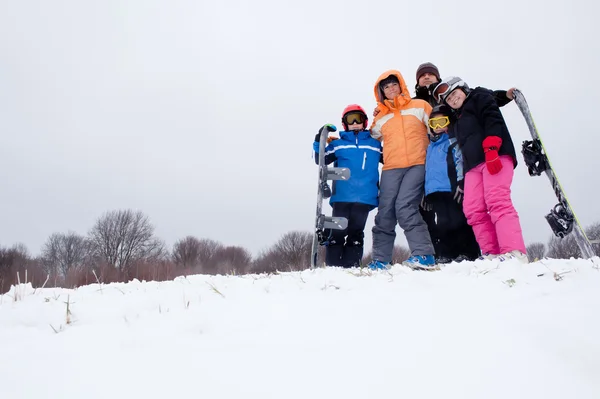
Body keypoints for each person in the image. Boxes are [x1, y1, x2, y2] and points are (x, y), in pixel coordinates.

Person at [432, 77, 528, 262]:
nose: (452, 99)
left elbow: (492, 114)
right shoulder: (457, 116)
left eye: (454, 94)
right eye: (448, 99)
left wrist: (492, 146)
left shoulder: (478, 96)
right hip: (472, 166)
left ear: (464, 89)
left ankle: (514, 251)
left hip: (495, 155)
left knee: (497, 200)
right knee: (473, 209)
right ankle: (491, 253)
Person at [366, 70, 436, 270]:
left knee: (405, 207)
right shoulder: (380, 117)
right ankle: (381, 260)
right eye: (386, 87)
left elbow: (438, 128)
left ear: (401, 85)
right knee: (385, 213)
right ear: (381, 93)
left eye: (393, 85)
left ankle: (424, 255)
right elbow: (369, 139)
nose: (390, 89)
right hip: (391, 168)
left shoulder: (420, 106)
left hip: (417, 163)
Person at [313, 105, 382, 267]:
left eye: (358, 118)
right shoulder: (339, 145)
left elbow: (392, 158)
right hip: (342, 196)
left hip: (365, 197)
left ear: (365, 122)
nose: (355, 122)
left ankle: (352, 266)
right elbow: (320, 159)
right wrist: (319, 139)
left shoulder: (374, 145)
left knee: (356, 233)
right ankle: (334, 267)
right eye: (351, 119)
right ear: (345, 124)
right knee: (338, 232)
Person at [424, 104, 480, 263]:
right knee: (442, 222)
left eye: (443, 122)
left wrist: (461, 183)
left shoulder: (452, 142)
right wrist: (425, 191)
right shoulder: (429, 147)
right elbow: (428, 170)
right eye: (435, 124)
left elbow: (459, 162)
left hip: (452, 189)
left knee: (458, 220)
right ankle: (446, 253)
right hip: (435, 191)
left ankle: (468, 252)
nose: (439, 127)